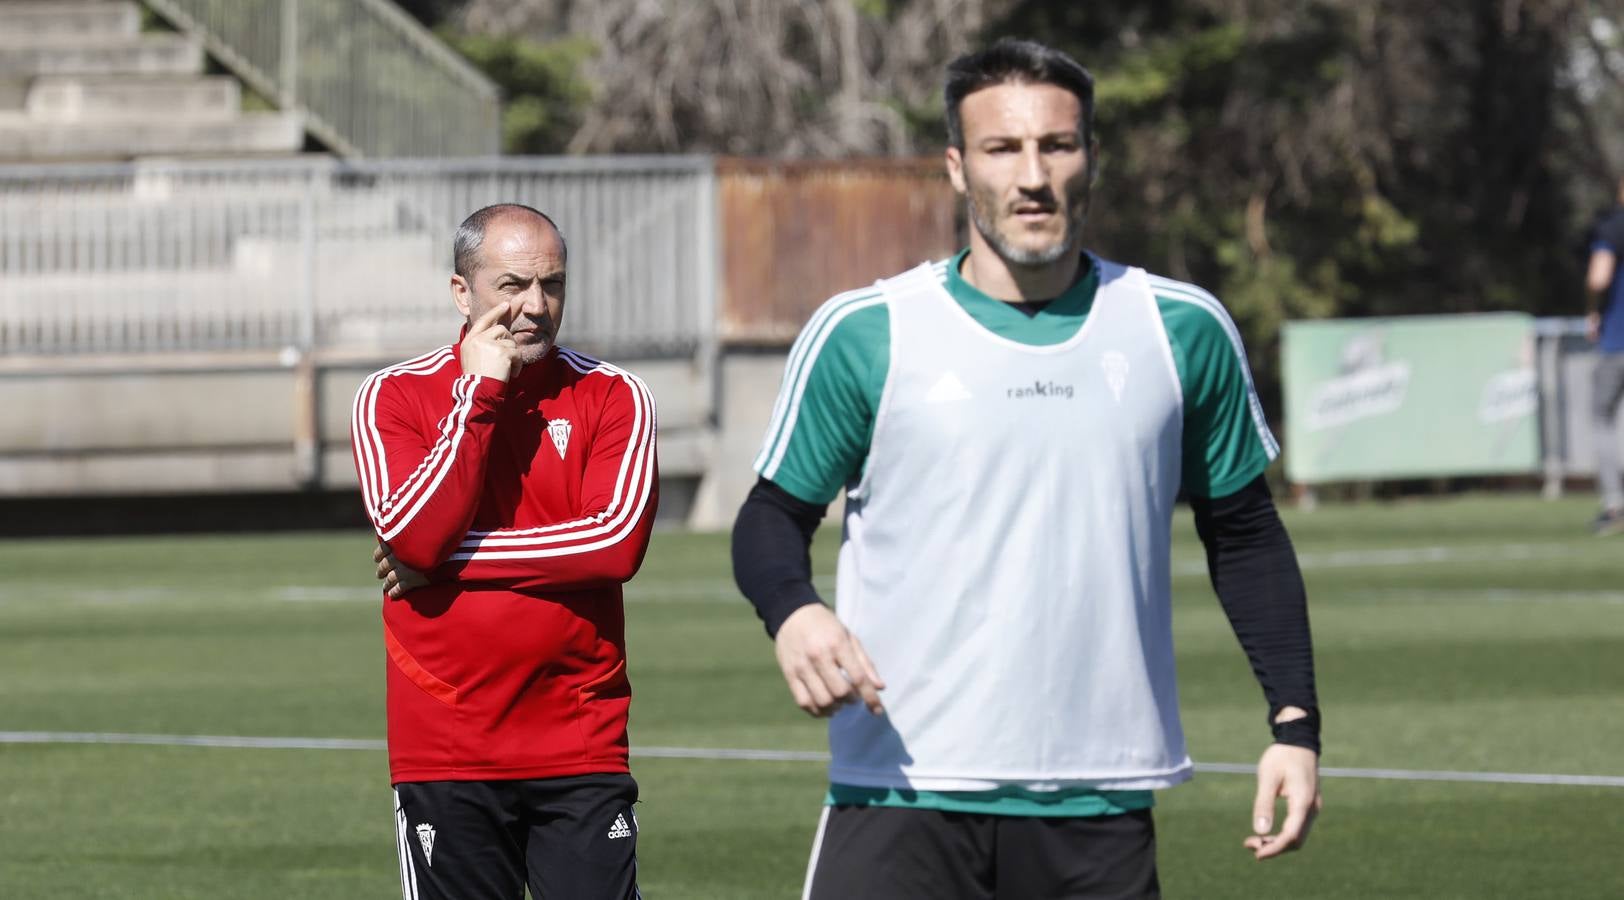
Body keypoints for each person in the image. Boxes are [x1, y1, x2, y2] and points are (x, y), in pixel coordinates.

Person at [731, 39, 1320, 899]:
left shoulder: (1178, 329)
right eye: (1003, 149)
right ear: (958, 169)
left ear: (1091, 159)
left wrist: (1295, 723)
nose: (1033, 174)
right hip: (901, 790)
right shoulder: (866, 331)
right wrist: (793, 612)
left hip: (1101, 800)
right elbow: (770, 517)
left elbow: (1245, 534)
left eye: (1058, 144)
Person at [352, 203, 658, 900]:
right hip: (449, 746)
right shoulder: (392, 397)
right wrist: (481, 393)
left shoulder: (613, 394)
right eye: (512, 285)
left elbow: (613, 543)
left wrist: (445, 564)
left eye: (552, 286)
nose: (535, 306)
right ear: (463, 293)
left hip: (580, 739)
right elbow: (417, 531)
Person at [1584, 177, 1624, 536]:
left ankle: (1614, 504)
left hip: (1617, 342)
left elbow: (1598, 278)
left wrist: (1593, 311)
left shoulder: (1614, 226)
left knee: (1602, 419)